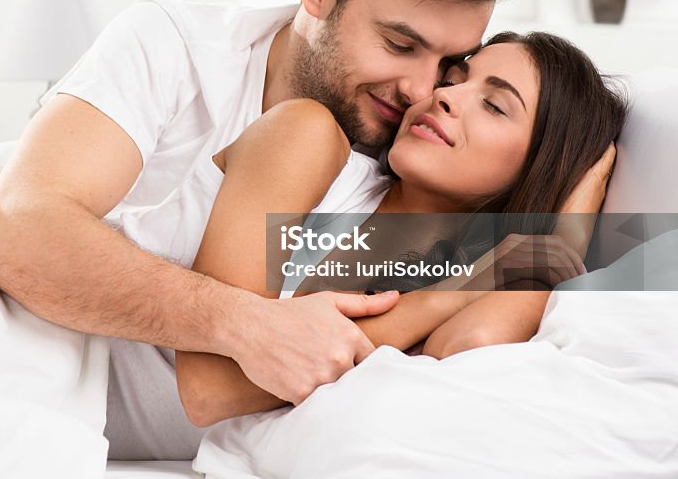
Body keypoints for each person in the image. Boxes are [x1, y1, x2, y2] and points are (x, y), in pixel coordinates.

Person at [0, 0, 539, 460]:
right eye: (400, 44)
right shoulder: (178, 48)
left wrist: (562, 227)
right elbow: (18, 229)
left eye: (450, 65)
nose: (422, 92)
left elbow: (472, 342)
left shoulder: (412, 171)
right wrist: (242, 323)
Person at [174, 31, 626, 427]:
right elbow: (211, 390)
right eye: (452, 80)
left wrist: (564, 239)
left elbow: (470, 347)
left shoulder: (469, 274)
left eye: (493, 105)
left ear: (543, 165)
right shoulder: (305, 139)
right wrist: (461, 291)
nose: (443, 97)